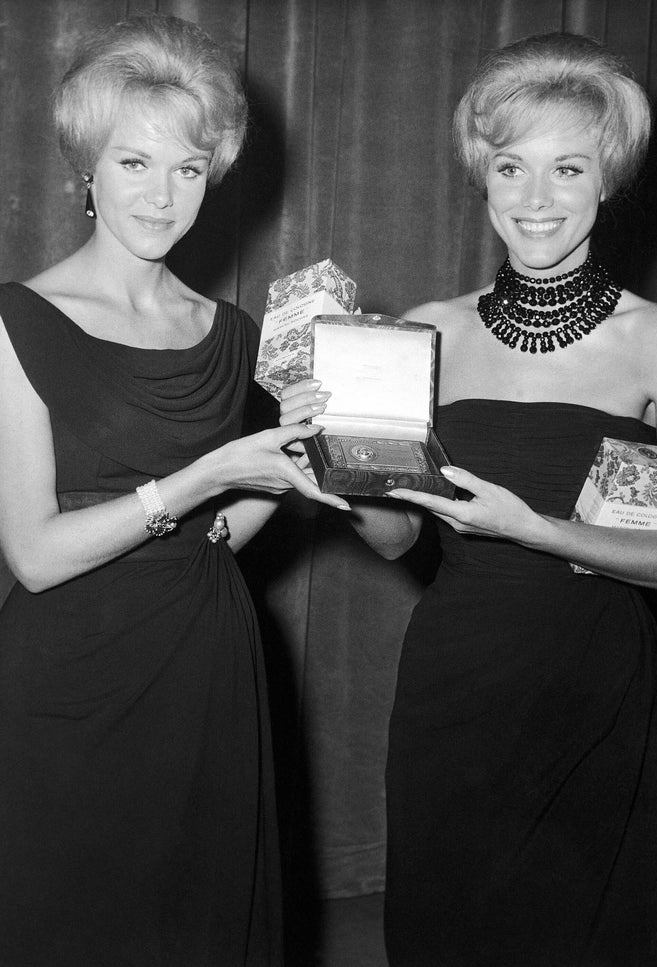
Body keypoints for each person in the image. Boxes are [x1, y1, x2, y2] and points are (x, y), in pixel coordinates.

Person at [281, 31, 657, 966]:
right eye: (511, 166)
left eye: (567, 169)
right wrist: (327, 456)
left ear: (609, 180)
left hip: (594, 679)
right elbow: (400, 538)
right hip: (455, 676)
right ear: (482, 176)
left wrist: (536, 527)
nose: (535, 199)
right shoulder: (426, 331)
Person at [0, 13, 349, 967]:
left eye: (188, 169)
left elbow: (221, 530)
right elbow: (33, 554)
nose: (162, 194)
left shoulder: (232, 330)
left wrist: (295, 455)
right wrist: (202, 474)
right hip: (69, 677)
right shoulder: (18, 321)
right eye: (134, 163)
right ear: (87, 168)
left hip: (205, 660)